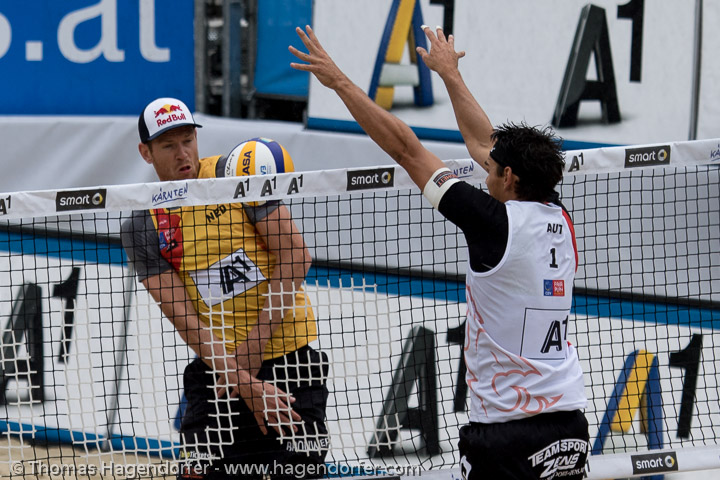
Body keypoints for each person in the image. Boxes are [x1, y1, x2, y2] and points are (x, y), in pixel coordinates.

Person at [290, 26, 588, 479]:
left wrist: (339, 82)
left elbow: (406, 149)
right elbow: (486, 145)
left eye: (492, 170)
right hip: (569, 423)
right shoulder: (559, 217)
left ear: (510, 177)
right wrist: (450, 74)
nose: (484, 171)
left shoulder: (492, 223)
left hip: (506, 433)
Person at [120, 97, 329, 480]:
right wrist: (241, 380)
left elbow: (296, 256)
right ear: (145, 153)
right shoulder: (142, 225)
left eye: (188, 140)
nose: (183, 154)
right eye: (168, 146)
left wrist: (250, 355)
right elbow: (185, 319)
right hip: (218, 372)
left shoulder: (234, 175)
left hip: (290, 362)